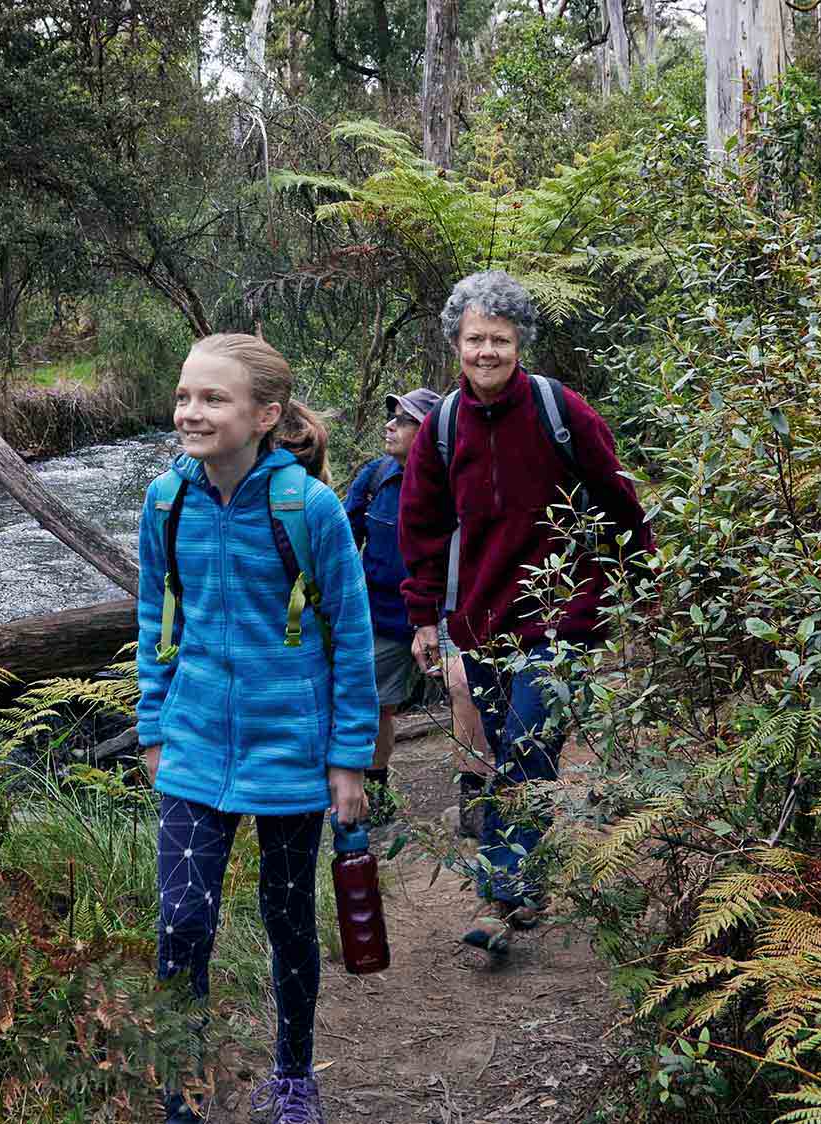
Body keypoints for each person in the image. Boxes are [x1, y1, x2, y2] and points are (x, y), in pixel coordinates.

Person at [136, 332, 377, 1124]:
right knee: (183, 922)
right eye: (184, 396)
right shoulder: (165, 501)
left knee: (285, 919)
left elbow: (349, 632)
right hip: (195, 741)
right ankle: (182, 1092)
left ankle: (295, 1076)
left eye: (213, 399)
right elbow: (153, 617)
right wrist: (153, 725)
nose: (191, 413)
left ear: (266, 414)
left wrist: (348, 758)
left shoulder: (307, 508)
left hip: (289, 748)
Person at [397, 270, 653, 951]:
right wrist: (424, 617)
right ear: (456, 343)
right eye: (475, 339)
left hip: (561, 615)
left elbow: (622, 503)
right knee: (510, 749)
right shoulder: (443, 428)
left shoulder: (559, 410)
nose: (487, 352)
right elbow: (420, 527)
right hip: (480, 621)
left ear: (520, 344)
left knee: (528, 746)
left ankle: (500, 896)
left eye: (500, 340)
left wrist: (640, 589)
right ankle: (529, 884)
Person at [342, 386, 440, 824]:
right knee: (377, 703)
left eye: (402, 420)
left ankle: (479, 794)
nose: (390, 425)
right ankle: (376, 791)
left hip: (443, 617)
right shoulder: (376, 476)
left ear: (428, 430)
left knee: (466, 697)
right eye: (392, 417)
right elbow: (344, 541)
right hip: (382, 616)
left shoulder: (451, 479)